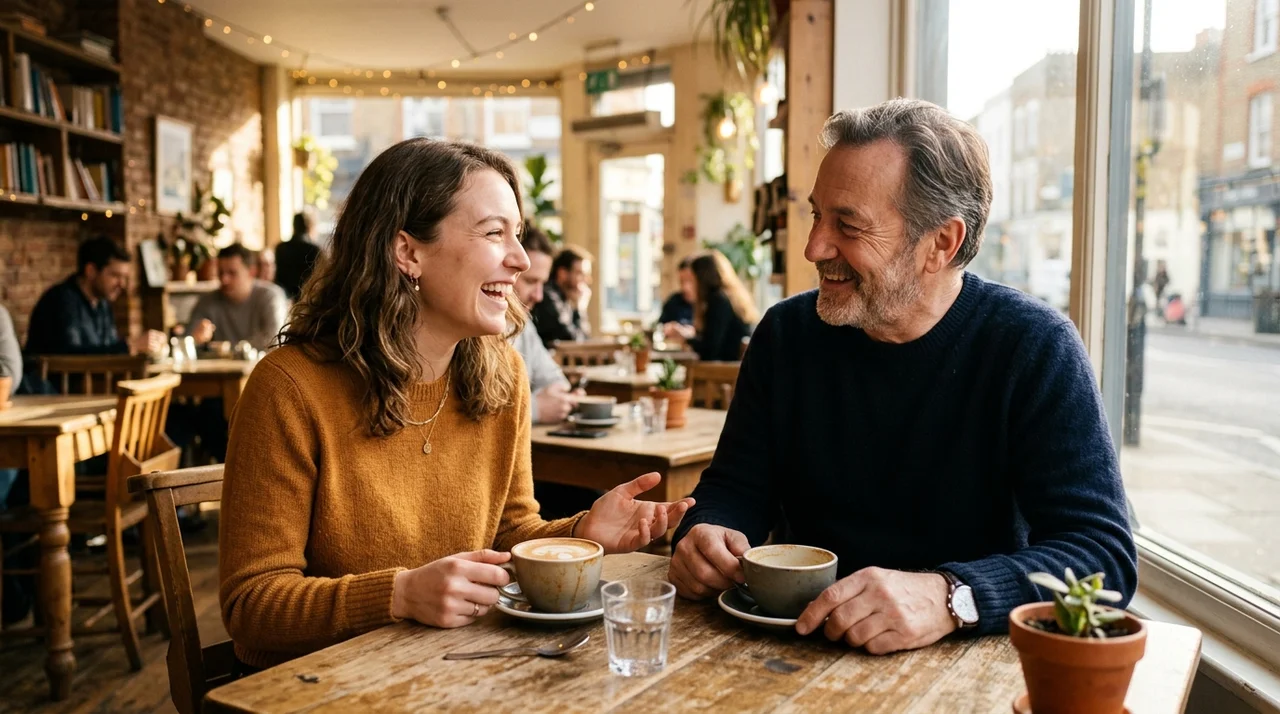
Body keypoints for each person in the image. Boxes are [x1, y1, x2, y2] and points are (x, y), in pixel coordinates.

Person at [669, 98, 1136, 656]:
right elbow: (733, 490)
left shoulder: (1033, 346)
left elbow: (1102, 555)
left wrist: (951, 597)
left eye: (849, 225)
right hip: (795, 654)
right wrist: (706, 534)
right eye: (817, 214)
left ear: (941, 243)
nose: (814, 247)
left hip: (964, 669)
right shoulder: (786, 335)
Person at [219, 138, 693, 670]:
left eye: (516, 234)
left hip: (451, 668)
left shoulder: (502, 375)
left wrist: (580, 532)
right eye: (495, 233)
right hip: (316, 685)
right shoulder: (289, 387)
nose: (519, 259)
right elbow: (251, 604)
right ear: (408, 252)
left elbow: (510, 534)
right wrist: (398, 595)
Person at [511, 221, 602, 519]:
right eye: (530, 281)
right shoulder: (472, 328)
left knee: (595, 499)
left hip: (524, 463)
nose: (538, 295)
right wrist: (537, 407)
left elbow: (554, 380)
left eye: (543, 283)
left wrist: (553, 399)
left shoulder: (520, 324)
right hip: (505, 471)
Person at [24, 236, 166, 360]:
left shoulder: (102, 303)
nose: (122, 284)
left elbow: (107, 348)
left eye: (124, 277)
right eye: (115, 276)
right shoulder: (60, 301)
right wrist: (130, 346)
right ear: (91, 271)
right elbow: (70, 357)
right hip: (59, 389)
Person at [188, 244, 289, 352]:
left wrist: (226, 349)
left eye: (232, 273)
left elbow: (275, 341)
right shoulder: (207, 302)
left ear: (251, 272)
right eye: (220, 272)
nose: (224, 279)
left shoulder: (271, 297)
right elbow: (186, 342)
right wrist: (195, 339)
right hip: (222, 368)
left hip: (263, 367)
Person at [665, 251, 759, 361]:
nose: (689, 285)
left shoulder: (718, 300)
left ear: (701, 278)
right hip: (730, 368)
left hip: (724, 371)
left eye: (692, 279)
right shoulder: (727, 297)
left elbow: (709, 351)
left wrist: (686, 338)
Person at [531, 246, 592, 348]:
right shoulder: (547, 297)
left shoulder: (564, 300)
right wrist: (580, 309)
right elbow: (574, 343)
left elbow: (585, 339)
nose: (586, 280)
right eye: (580, 273)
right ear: (562, 274)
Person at [275, 211, 324, 301]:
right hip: (308, 300)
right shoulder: (315, 250)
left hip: (284, 299)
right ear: (310, 227)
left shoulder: (280, 248)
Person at [657, 256, 695, 327]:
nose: (685, 287)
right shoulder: (673, 301)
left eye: (689, 281)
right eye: (681, 281)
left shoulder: (709, 304)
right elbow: (660, 326)